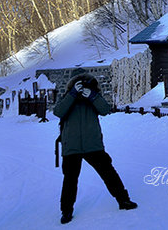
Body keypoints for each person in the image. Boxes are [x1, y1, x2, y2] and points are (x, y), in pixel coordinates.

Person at [53, 71, 137, 224]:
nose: (82, 84)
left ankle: (123, 200)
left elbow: (105, 110)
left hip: (93, 144)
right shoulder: (66, 97)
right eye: (78, 82)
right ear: (72, 84)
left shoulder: (93, 95)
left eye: (85, 81)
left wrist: (92, 96)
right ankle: (66, 211)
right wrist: (72, 95)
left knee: (108, 173)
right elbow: (58, 112)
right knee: (70, 180)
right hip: (71, 146)